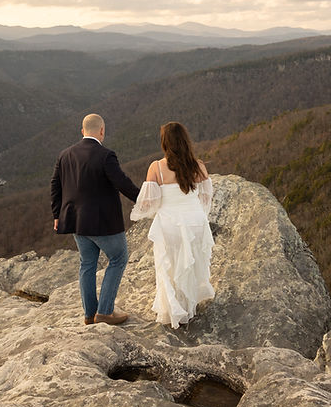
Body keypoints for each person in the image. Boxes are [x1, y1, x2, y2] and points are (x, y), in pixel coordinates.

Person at [51, 113, 141, 326]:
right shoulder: (105, 155)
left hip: (76, 223)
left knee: (87, 264)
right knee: (118, 259)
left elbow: (55, 186)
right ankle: (105, 312)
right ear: (102, 131)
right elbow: (122, 183)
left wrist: (57, 214)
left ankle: (90, 315)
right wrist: (143, 199)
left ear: (82, 131)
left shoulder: (65, 155)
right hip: (104, 223)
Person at [131, 121, 215, 328]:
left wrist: (158, 210)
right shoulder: (199, 166)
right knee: (190, 264)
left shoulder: (157, 167)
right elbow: (206, 197)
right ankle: (189, 306)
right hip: (194, 222)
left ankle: (173, 310)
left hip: (170, 223)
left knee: (168, 267)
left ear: (164, 143)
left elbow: (147, 203)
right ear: (185, 141)